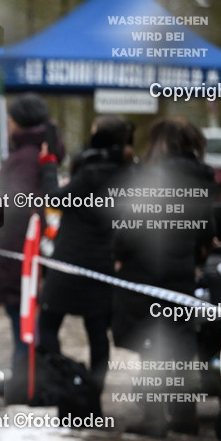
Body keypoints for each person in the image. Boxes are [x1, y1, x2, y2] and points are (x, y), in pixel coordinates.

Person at [111, 117, 216, 437]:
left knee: (150, 340)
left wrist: (120, 254)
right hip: (181, 268)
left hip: (145, 269)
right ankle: (185, 413)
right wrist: (196, 254)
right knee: (182, 340)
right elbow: (206, 227)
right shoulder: (202, 178)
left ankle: (155, 416)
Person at [37, 116, 134, 391]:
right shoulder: (129, 174)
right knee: (97, 334)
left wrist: (49, 165)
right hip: (103, 263)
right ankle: (93, 396)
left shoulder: (92, 172)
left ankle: (61, 383)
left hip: (71, 261)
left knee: (47, 324)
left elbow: (55, 199)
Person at [0, 93, 65, 369]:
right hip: (18, 248)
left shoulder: (26, 158)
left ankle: (25, 380)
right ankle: (24, 377)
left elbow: (15, 203)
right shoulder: (32, 154)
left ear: (19, 122)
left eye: (10, 118)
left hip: (16, 250)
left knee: (22, 320)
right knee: (23, 317)